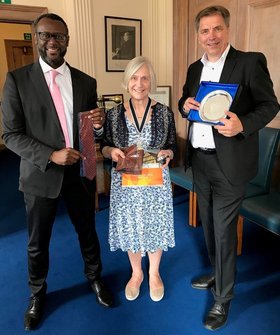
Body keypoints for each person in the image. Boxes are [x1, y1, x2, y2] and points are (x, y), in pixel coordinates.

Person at [1, 13, 113, 331]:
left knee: (88, 233)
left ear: (67, 41)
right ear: (36, 37)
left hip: (80, 174)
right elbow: (10, 135)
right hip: (40, 176)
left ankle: (95, 279)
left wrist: (99, 126)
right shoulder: (17, 80)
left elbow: (89, 133)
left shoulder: (85, 81)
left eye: (59, 36)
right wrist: (51, 154)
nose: (53, 41)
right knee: (38, 243)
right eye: (46, 35)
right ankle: (37, 294)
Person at [178, 5, 279, 331]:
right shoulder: (195, 67)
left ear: (227, 30)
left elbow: (270, 105)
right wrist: (183, 105)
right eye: (205, 31)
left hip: (231, 164)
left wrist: (243, 125)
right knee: (208, 225)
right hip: (200, 160)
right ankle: (216, 271)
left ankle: (223, 298)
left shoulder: (249, 62)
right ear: (198, 35)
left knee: (223, 232)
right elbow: (186, 98)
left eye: (217, 29)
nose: (211, 36)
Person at [101, 56, 176, 302]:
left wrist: (169, 152)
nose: (139, 83)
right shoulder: (113, 115)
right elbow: (104, 146)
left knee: (155, 224)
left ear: (151, 81)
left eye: (144, 77)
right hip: (127, 182)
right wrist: (111, 151)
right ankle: (136, 274)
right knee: (130, 225)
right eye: (134, 77)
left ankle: (154, 273)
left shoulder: (164, 112)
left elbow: (172, 145)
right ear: (127, 81)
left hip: (155, 182)